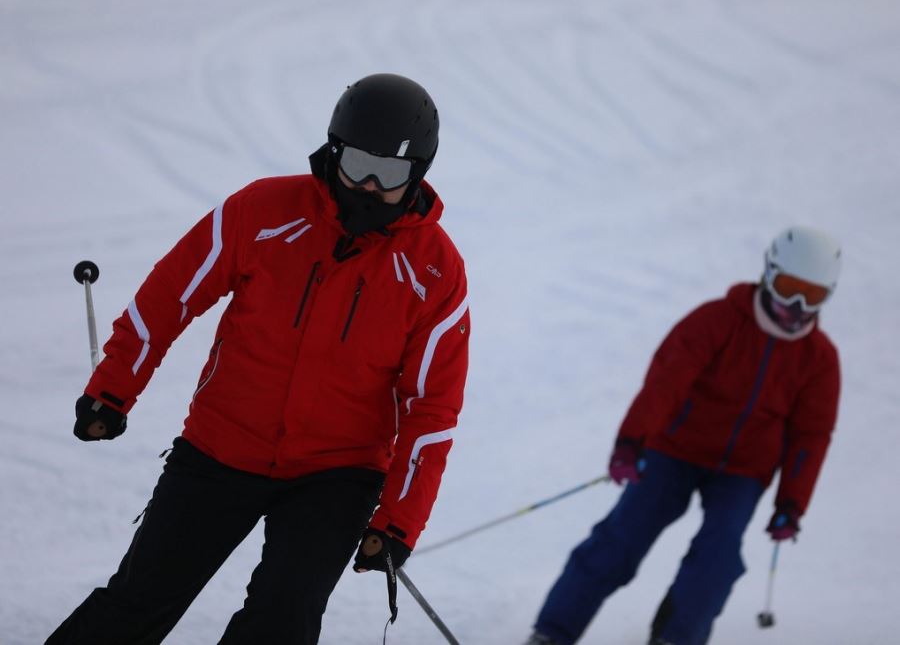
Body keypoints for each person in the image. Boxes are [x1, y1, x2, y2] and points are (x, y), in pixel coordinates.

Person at [46, 73, 471, 645]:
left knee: (283, 623)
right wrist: (113, 388)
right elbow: (170, 296)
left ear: (418, 173)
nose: (369, 187)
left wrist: (399, 519)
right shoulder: (264, 210)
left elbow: (432, 408)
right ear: (333, 152)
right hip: (222, 445)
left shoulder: (434, 270)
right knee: (139, 600)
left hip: (337, 473)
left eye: (390, 174)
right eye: (357, 166)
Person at [526, 227, 842, 645]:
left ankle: (674, 639)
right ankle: (551, 633)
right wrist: (632, 441)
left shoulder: (819, 360)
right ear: (769, 274)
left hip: (743, 471)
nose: (797, 306)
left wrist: (791, 504)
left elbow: (811, 436)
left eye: (812, 295)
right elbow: (666, 383)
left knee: (717, 557)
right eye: (788, 288)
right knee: (622, 536)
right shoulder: (717, 321)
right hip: (675, 451)